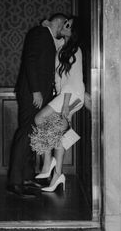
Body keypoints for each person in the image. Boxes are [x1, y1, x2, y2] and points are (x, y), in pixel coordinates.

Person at [7, 13, 68, 197]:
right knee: (26, 132)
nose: (64, 29)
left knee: (32, 134)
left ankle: (25, 177)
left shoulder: (48, 37)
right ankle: (15, 181)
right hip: (32, 94)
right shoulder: (41, 32)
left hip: (38, 95)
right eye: (64, 25)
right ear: (58, 23)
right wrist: (35, 90)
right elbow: (30, 60)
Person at [30, 16, 85, 192]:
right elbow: (53, 34)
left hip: (72, 94)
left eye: (68, 25)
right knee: (57, 131)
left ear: (73, 31)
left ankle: (48, 162)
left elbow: (72, 80)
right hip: (67, 95)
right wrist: (47, 25)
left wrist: (67, 105)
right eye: (64, 23)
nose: (64, 25)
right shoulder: (62, 46)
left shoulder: (76, 50)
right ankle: (57, 175)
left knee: (39, 119)